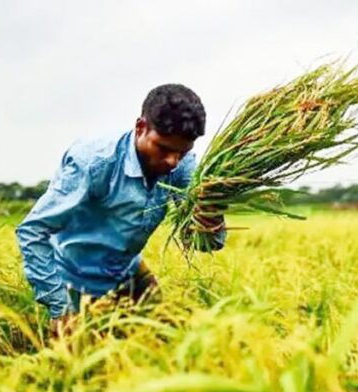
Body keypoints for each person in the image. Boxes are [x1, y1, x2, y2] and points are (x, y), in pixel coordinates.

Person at [16, 84, 225, 334]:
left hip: (128, 269)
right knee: (80, 364)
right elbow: (32, 231)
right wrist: (60, 309)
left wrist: (211, 221)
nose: (172, 161)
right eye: (163, 148)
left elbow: (201, 242)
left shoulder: (182, 164)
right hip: (74, 278)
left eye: (182, 152)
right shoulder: (93, 162)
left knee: (166, 338)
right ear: (141, 128)